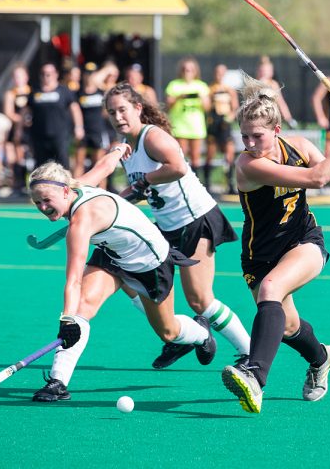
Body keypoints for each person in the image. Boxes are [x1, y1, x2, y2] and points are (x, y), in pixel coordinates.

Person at [220, 73, 330, 414]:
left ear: (277, 131)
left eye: (257, 136)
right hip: (259, 255)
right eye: (245, 137)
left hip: (303, 241)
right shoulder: (248, 165)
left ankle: (254, 376)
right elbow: (318, 177)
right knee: (288, 326)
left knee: (271, 289)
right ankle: (321, 359)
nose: (249, 143)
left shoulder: (300, 147)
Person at [27, 158, 217, 402]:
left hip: (150, 264)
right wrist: (117, 151)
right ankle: (58, 382)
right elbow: (103, 168)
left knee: (168, 331)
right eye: (37, 202)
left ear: (65, 191)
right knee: (82, 307)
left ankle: (201, 332)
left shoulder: (81, 222)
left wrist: (65, 319)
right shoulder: (75, 185)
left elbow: (73, 280)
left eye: (47, 200)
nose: (43, 207)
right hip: (113, 253)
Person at [102, 81, 251, 367]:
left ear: (137, 108)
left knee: (201, 301)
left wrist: (145, 180)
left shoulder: (152, 137)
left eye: (122, 110)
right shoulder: (126, 150)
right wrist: (109, 207)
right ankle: (178, 337)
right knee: (126, 277)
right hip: (166, 227)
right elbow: (140, 191)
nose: (118, 117)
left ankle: (250, 353)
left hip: (194, 220)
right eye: (111, 112)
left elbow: (178, 167)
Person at [28, 62, 84, 169]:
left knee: (62, 164)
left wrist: (79, 127)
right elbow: (26, 110)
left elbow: (75, 109)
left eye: (49, 74)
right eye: (43, 74)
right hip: (39, 135)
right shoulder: (35, 91)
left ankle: (65, 185)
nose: (46, 76)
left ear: (56, 74)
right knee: (41, 166)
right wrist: (19, 129)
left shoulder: (64, 91)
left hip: (60, 135)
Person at [165, 56, 211, 178]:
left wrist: (201, 98)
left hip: (196, 127)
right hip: (180, 127)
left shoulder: (201, 86)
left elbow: (207, 108)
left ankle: (197, 182)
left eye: (190, 69)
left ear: (195, 71)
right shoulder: (174, 85)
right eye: (185, 69)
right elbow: (168, 105)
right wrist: (180, 97)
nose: (187, 72)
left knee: (196, 158)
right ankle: (181, 181)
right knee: (180, 156)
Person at [73, 65, 111, 187]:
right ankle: (76, 190)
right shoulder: (78, 93)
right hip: (83, 131)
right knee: (79, 162)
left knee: (99, 163)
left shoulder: (102, 92)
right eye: (87, 74)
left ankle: (102, 191)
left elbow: (106, 112)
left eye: (92, 74)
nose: (89, 77)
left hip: (98, 131)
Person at [205, 63, 239, 194]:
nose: (219, 75)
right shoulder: (210, 89)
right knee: (210, 153)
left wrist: (230, 116)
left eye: (222, 73)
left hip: (225, 124)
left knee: (229, 153)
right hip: (213, 122)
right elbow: (206, 107)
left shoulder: (230, 89)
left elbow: (235, 107)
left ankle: (230, 184)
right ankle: (207, 184)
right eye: (217, 72)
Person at [2, 64, 32, 192]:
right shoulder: (10, 93)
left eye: (20, 76)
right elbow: (8, 112)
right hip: (17, 130)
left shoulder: (32, 92)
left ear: (26, 77)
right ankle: (17, 184)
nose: (18, 79)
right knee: (15, 158)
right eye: (16, 76)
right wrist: (22, 121)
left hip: (31, 129)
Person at [256, 55, 296, 127]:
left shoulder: (273, 83)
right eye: (263, 71)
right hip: (257, 115)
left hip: (270, 116)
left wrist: (288, 118)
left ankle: (288, 120)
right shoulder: (255, 83)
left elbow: (281, 102)